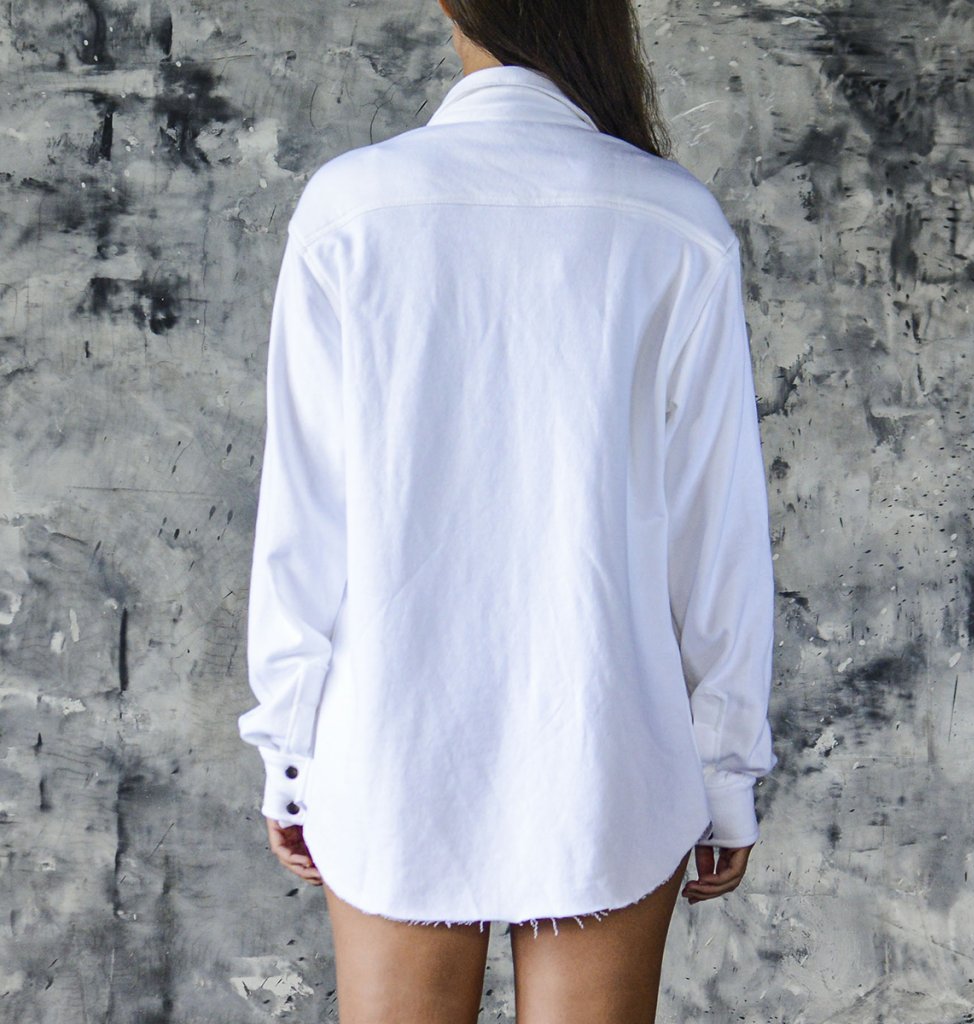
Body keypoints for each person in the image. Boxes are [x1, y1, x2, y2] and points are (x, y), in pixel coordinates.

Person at [237, 1, 778, 1021]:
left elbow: (304, 512)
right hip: (607, 744)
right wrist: (725, 769)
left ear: (451, 4)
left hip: (391, 742)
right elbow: (718, 536)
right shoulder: (672, 219)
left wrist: (292, 754)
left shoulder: (351, 208)